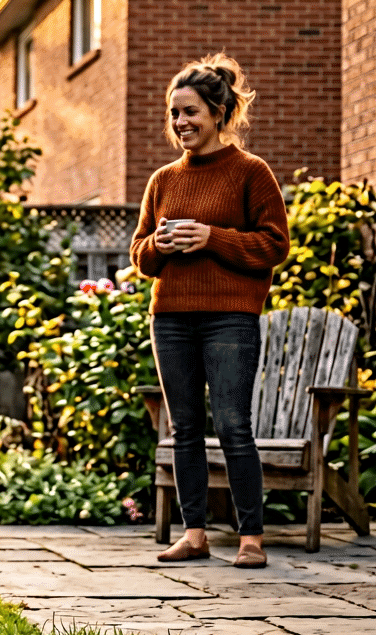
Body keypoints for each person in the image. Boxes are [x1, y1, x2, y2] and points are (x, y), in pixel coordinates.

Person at [128, 53, 290, 568]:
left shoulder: (251, 172)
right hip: (170, 317)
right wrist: (159, 244)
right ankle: (194, 532)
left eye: (191, 112)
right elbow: (139, 257)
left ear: (219, 113)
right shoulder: (163, 179)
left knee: (234, 425)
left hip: (230, 317)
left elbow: (273, 245)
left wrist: (211, 237)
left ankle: (251, 539)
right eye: (174, 113)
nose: (181, 123)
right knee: (185, 428)